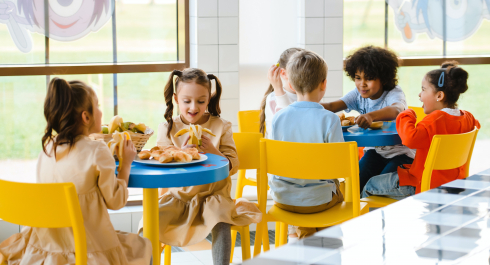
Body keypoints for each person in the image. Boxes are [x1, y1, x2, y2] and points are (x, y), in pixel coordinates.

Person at [0, 78, 152, 265]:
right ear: (86, 117)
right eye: (97, 105)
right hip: (88, 251)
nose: (101, 110)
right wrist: (125, 165)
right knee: (143, 246)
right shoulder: (97, 150)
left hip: (47, 250)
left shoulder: (47, 150)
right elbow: (116, 201)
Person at [139, 68, 261, 265]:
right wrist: (180, 154)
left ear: (209, 99)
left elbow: (233, 165)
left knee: (220, 222)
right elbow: (161, 167)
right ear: (177, 99)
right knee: (148, 224)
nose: (193, 107)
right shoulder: (168, 128)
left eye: (201, 101)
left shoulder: (222, 126)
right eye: (187, 101)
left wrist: (213, 150)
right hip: (179, 197)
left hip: (213, 197)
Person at [361, 61, 481, 199]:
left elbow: (410, 139)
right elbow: (476, 125)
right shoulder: (468, 117)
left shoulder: (434, 120)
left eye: (423, 89)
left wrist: (406, 114)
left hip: (422, 183)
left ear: (439, 96)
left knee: (370, 184)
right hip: (453, 181)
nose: (419, 94)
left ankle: (365, 220)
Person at [269, 50, 344, 240]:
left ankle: (306, 238)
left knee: (307, 192)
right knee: (331, 190)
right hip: (319, 201)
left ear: (292, 85)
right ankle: (324, 245)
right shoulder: (330, 120)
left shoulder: (279, 118)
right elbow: (340, 168)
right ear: (324, 84)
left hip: (283, 198)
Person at [322, 45, 414, 192]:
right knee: (355, 184)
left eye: (369, 78)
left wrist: (371, 115)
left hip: (401, 155)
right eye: (358, 78)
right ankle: (357, 214)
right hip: (375, 152)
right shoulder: (357, 94)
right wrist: (306, 105)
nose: (362, 84)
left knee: (381, 186)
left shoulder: (393, 93)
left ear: (383, 79)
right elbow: (332, 106)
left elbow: (396, 109)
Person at [259, 47, 304, 137]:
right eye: (297, 69)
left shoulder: (311, 95)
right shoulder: (273, 98)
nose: (304, 73)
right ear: (283, 73)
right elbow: (288, 126)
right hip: (279, 148)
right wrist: (278, 89)